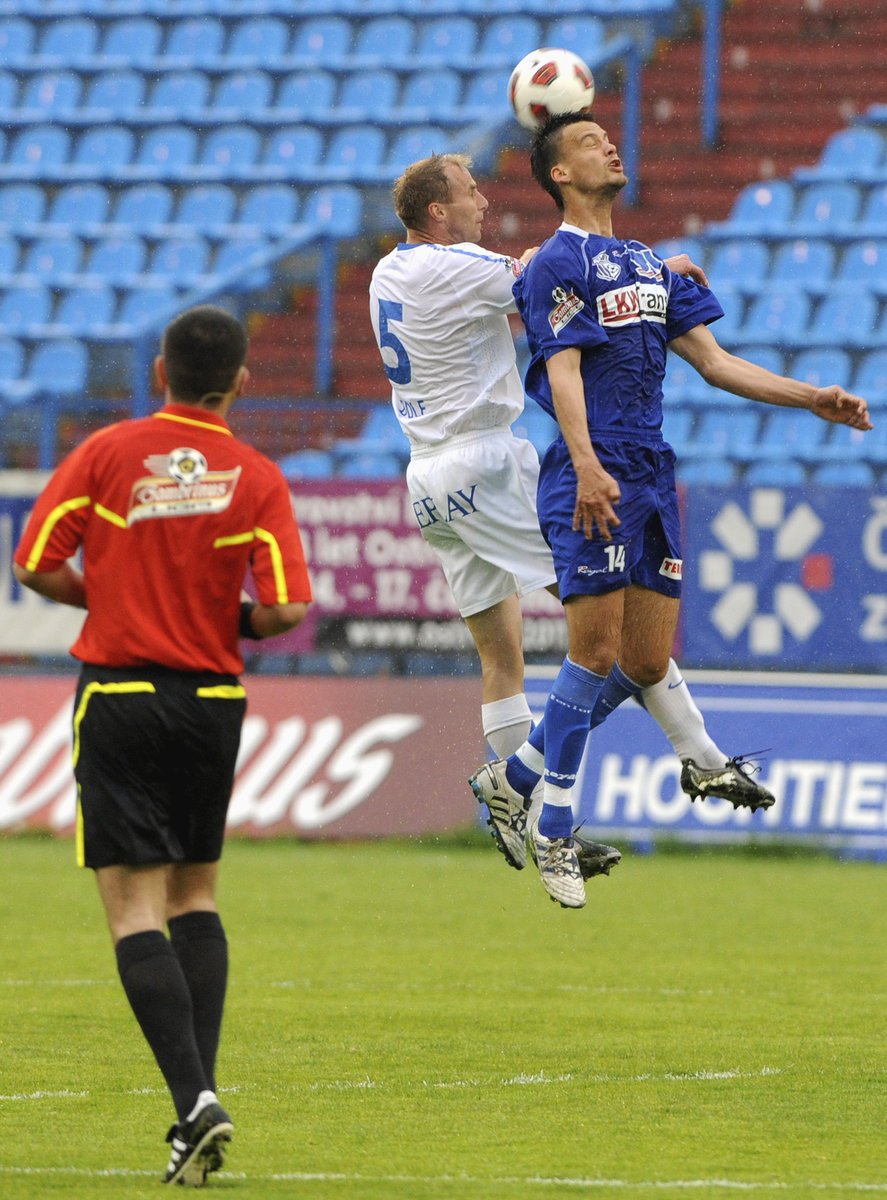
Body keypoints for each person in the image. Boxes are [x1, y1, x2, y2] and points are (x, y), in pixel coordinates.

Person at [470, 113, 873, 910]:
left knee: (645, 662)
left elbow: (716, 363)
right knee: (589, 656)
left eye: (607, 139)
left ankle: (508, 778)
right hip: (596, 469)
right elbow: (562, 373)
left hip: (651, 471)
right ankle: (553, 827)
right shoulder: (558, 259)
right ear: (557, 174)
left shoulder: (646, 264)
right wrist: (584, 463)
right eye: (588, 143)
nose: (609, 146)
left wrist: (811, 399)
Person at [369, 153, 777, 880]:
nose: (483, 203)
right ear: (437, 213)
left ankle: (522, 810)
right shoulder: (453, 264)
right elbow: (554, 271)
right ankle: (689, 759)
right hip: (486, 462)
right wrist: (651, 269)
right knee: (610, 626)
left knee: (502, 659)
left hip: (427, 477)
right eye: (469, 195)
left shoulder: (388, 271)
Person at [13, 306, 313, 1184]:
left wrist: (102, 600)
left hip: (120, 693)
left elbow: (33, 558)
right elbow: (289, 608)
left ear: (159, 372)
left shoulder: (107, 454)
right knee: (195, 893)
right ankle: (198, 1101)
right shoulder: (256, 475)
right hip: (212, 698)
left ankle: (193, 1100)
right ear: (243, 381)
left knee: (131, 909)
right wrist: (226, 618)